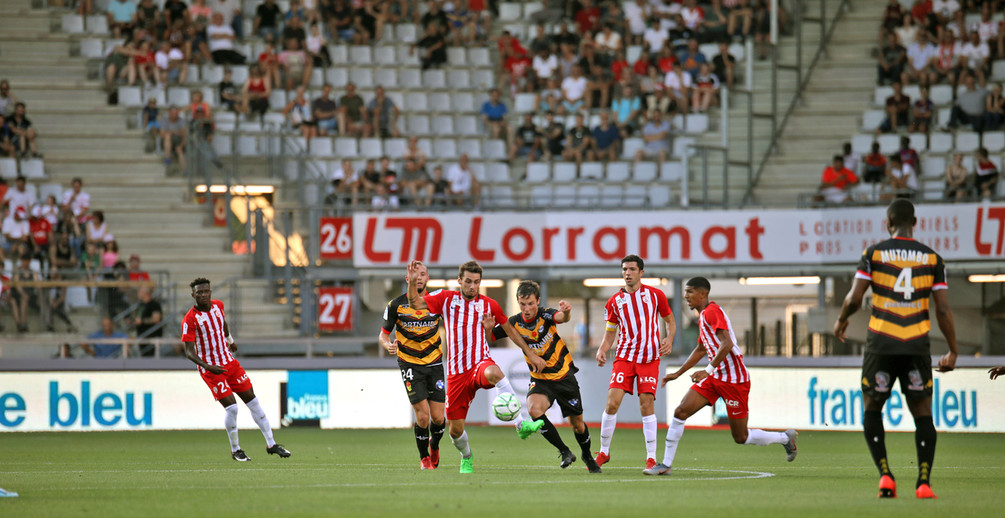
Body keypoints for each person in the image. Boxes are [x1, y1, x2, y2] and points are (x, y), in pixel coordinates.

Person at [833, 199, 958, 499]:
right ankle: (924, 483)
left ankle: (886, 476)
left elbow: (854, 298)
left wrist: (840, 320)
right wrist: (953, 350)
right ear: (915, 222)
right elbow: (942, 310)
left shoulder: (873, 253)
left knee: (872, 407)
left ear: (888, 223)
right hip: (916, 344)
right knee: (922, 412)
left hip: (881, 343)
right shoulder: (932, 259)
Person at [644, 277, 797, 476]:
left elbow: (727, 344)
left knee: (740, 437)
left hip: (735, 380)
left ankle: (785, 438)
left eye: (690, 292)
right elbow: (700, 349)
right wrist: (678, 373)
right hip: (715, 378)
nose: (685, 296)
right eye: (686, 292)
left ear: (703, 294)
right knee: (681, 412)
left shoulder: (712, 312)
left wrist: (706, 370)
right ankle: (665, 465)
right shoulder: (703, 317)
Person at [405, 260, 546, 474]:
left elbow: (510, 330)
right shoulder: (446, 299)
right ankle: (467, 456)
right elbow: (415, 304)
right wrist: (413, 283)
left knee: (495, 372)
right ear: (459, 280)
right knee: (454, 430)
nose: (472, 286)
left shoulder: (489, 305)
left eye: (477, 282)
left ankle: (520, 425)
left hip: (480, 363)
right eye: (468, 281)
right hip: (456, 374)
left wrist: (531, 353)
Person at [489, 280, 602, 473]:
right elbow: (491, 335)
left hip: (564, 376)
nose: (526, 309)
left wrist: (566, 312)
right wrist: (487, 327)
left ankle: (587, 455)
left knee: (577, 426)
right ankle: (564, 451)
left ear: (538, 301)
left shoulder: (545, 314)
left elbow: (561, 318)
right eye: (522, 304)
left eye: (530, 304)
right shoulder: (514, 322)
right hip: (540, 379)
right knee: (534, 409)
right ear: (518, 302)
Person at [182, 278, 292, 461]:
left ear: (210, 292)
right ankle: (236, 450)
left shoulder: (218, 306)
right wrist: (208, 366)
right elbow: (188, 352)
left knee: (254, 402)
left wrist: (230, 341)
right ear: (193, 295)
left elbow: (222, 323)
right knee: (232, 408)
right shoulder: (190, 319)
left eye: (206, 291)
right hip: (211, 369)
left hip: (229, 363)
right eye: (199, 292)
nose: (203, 295)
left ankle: (271, 444)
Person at [594, 254, 676, 470]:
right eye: (624, 269)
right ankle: (603, 452)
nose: (627, 273)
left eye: (631, 269)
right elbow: (610, 333)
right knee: (612, 403)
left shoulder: (656, 295)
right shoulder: (614, 302)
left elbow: (670, 320)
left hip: (649, 359)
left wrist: (669, 338)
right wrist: (602, 349)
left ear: (641, 272)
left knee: (646, 404)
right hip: (624, 358)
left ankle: (651, 457)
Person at [379, 262, 446, 470]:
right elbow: (383, 334)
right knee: (423, 415)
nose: (419, 277)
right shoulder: (395, 306)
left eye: (423, 274)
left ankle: (434, 445)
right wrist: (387, 344)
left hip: (435, 363)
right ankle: (424, 457)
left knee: (438, 417)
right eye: (414, 274)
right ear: (407, 279)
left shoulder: (437, 303)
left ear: (428, 278)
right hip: (409, 365)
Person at [134, 286, 163, 357]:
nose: (138, 293)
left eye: (140, 291)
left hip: (151, 336)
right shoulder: (140, 305)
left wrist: (142, 321)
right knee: (143, 356)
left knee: (150, 356)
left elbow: (156, 319)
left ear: (145, 293)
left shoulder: (154, 305)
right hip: (142, 335)